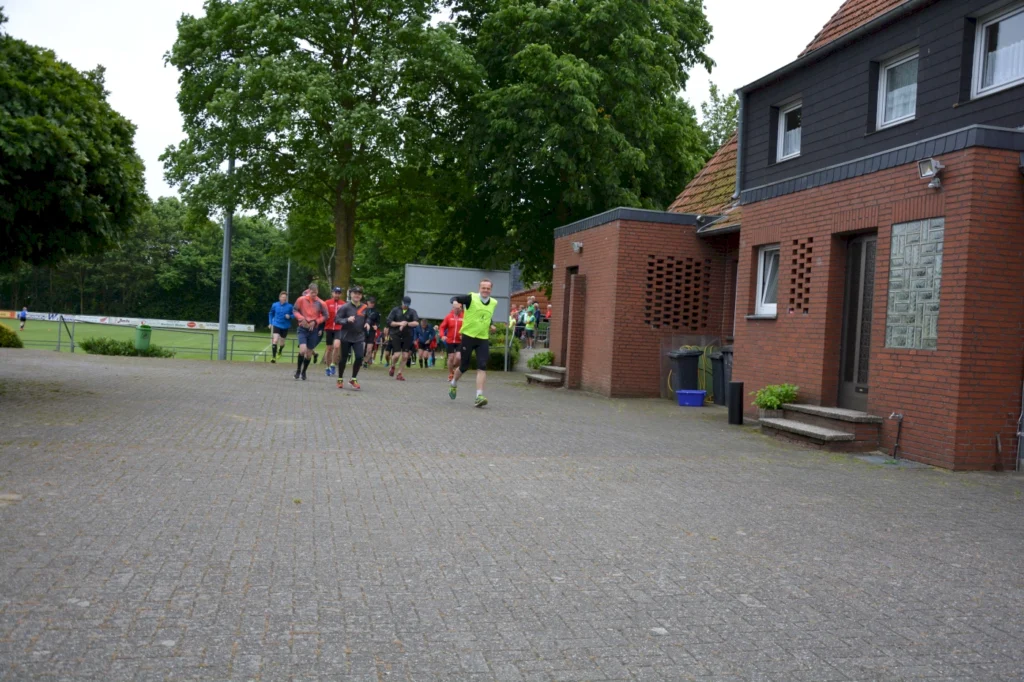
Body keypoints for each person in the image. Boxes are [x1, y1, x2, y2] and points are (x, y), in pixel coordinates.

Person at [449, 279, 498, 408]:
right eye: (483, 288)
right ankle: (453, 383)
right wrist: (455, 302)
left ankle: (479, 396)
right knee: (464, 366)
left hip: (482, 338)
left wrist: (492, 324)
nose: (485, 290)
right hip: (468, 337)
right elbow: (455, 298)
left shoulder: (493, 302)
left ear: (491, 290)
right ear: (479, 288)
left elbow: (486, 315)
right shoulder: (471, 298)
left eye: (488, 288)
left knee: (482, 365)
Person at [334, 285, 370, 390]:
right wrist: (346, 320)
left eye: (359, 294)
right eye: (355, 293)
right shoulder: (345, 307)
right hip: (346, 336)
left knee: (359, 357)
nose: (357, 296)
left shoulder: (365, 307)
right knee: (344, 358)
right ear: (351, 294)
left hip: (359, 337)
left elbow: (368, 318)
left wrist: (367, 323)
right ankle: (340, 378)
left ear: (361, 296)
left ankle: (353, 379)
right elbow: (337, 319)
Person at [292, 284, 326, 381]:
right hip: (302, 328)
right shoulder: (301, 300)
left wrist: (316, 321)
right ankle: (298, 370)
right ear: (309, 291)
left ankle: (304, 371)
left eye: (315, 293)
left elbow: (325, 316)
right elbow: (295, 310)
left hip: (313, 329)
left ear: (317, 292)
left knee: (309, 353)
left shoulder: (321, 303)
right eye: (312, 293)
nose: (314, 295)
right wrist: (301, 318)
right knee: (302, 350)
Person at [386, 296, 419, 381]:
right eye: (405, 304)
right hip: (395, 334)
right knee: (397, 355)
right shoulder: (395, 310)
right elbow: (389, 322)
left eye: (408, 305)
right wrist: (400, 323)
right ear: (402, 302)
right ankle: (392, 366)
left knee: (405, 356)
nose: (406, 306)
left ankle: (399, 373)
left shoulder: (412, 312)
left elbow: (416, 323)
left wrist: (406, 323)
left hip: (407, 336)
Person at [322, 287, 345, 376]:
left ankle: (333, 364)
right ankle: (327, 366)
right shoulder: (327, 303)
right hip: (328, 328)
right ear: (332, 293)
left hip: (339, 328)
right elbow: (322, 314)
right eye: (335, 293)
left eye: (339, 293)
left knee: (336, 346)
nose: (337, 294)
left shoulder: (343, 304)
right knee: (329, 348)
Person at [439, 298, 464, 382]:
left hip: (460, 341)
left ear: (461, 308)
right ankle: (451, 373)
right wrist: (442, 335)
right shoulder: (449, 317)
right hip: (450, 341)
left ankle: (456, 370)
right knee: (450, 357)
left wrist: (464, 335)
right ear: (453, 308)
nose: (457, 310)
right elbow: (442, 327)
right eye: (455, 308)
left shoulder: (465, 317)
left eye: (458, 308)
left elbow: (469, 328)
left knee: (458, 358)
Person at [268, 292, 293, 363]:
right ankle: (273, 357)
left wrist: (290, 316)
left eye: (285, 297)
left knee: (282, 343)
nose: (284, 298)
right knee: (275, 340)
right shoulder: (275, 305)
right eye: (282, 297)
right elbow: (270, 313)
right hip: (276, 324)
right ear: (279, 298)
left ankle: (280, 350)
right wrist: (270, 323)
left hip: (285, 326)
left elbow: (294, 314)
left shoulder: (290, 306)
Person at [364, 296, 381, 366]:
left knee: (369, 348)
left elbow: (379, 322)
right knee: (362, 347)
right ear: (367, 302)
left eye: (373, 303)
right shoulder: (363, 310)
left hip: (371, 331)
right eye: (371, 302)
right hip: (363, 331)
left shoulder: (376, 312)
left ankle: (365, 361)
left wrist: (376, 326)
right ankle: (361, 359)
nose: (372, 304)